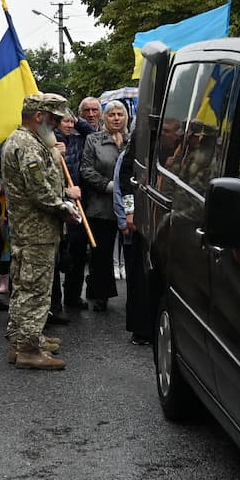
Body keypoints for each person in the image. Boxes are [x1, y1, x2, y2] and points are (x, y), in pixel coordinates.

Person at [2, 93, 81, 370]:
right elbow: (39, 191)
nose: (58, 124)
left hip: (30, 228)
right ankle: (28, 349)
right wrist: (65, 208)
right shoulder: (27, 145)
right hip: (36, 230)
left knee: (24, 287)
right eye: (55, 118)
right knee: (35, 290)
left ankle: (23, 338)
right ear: (39, 116)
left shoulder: (29, 141)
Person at [80, 101, 129, 313]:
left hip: (129, 206)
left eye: (120, 114)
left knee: (131, 252)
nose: (116, 118)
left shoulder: (133, 141)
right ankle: (101, 295)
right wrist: (108, 186)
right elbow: (86, 170)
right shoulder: (94, 140)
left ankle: (134, 299)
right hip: (101, 205)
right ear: (104, 118)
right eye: (112, 114)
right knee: (102, 254)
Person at [52, 99, 99, 311]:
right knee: (59, 254)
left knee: (79, 252)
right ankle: (54, 300)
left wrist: (77, 118)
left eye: (72, 122)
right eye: (65, 121)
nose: (70, 126)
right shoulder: (51, 141)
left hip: (79, 202)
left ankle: (73, 295)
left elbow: (93, 133)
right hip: (59, 201)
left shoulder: (81, 140)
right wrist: (55, 150)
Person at [116, 132, 153, 346]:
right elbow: (125, 178)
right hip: (141, 214)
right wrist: (130, 211)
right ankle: (140, 330)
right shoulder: (140, 138)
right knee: (139, 273)